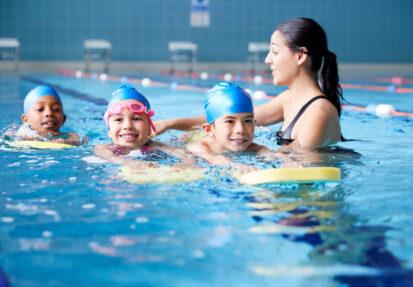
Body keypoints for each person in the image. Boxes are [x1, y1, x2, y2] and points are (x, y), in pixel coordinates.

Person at [154, 18, 343, 150]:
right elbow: (229, 117)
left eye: (275, 52)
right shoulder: (290, 99)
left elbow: (293, 163)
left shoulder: (318, 113)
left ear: (300, 56)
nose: (268, 60)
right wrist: (170, 125)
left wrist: (209, 153)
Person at [186, 82, 287, 172]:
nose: (241, 130)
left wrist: (285, 160)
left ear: (254, 124)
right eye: (230, 121)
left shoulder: (253, 147)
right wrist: (232, 165)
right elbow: (211, 158)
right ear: (209, 129)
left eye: (247, 121)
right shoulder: (198, 147)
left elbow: (268, 154)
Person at [94, 84, 195, 170]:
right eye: (118, 119)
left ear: (148, 129)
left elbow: (185, 156)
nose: (128, 126)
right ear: (109, 132)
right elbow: (108, 156)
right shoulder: (104, 148)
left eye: (136, 119)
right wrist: (129, 163)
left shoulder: (156, 146)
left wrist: (186, 163)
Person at [7, 85, 81, 145]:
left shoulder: (69, 136)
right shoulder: (22, 134)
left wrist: (67, 142)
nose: (49, 113)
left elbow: (80, 141)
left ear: (63, 119)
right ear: (26, 119)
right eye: (40, 109)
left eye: (56, 109)